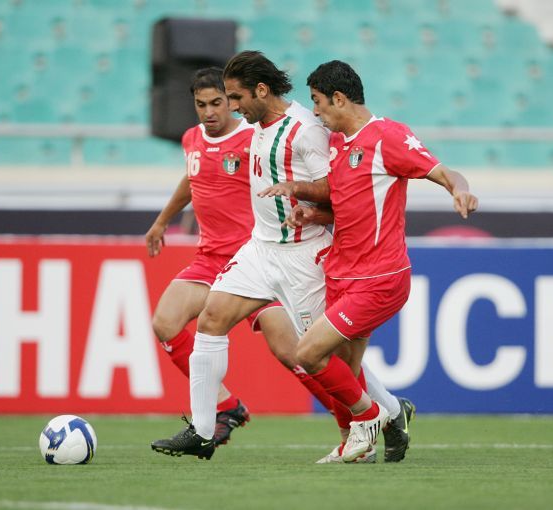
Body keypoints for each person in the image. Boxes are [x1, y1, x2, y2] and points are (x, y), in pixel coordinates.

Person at [151, 53, 413, 463]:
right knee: (212, 318)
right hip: (260, 248)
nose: (232, 107)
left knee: (323, 355)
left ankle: (380, 419)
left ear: (261, 91)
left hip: (303, 254)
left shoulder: (306, 129)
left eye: (235, 98)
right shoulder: (255, 125)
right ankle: (203, 430)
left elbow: (335, 188)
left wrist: (298, 193)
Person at [264, 59, 477, 462]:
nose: (315, 112)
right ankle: (373, 433)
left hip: (380, 277)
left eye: (318, 101)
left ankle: (376, 416)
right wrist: (311, 211)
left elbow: (444, 172)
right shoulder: (338, 143)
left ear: (339, 98)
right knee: (345, 368)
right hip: (342, 272)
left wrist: (460, 191)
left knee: (308, 354)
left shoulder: (388, 136)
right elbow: (345, 204)